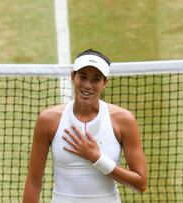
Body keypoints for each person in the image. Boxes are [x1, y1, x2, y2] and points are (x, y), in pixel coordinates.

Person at [23, 49, 147, 203]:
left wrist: (96, 158)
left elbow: (140, 184)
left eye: (96, 79)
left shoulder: (124, 120)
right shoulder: (48, 120)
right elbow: (34, 181)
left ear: (105, 82)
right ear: (73, 76)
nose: (88, 85)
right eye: (83, 77)